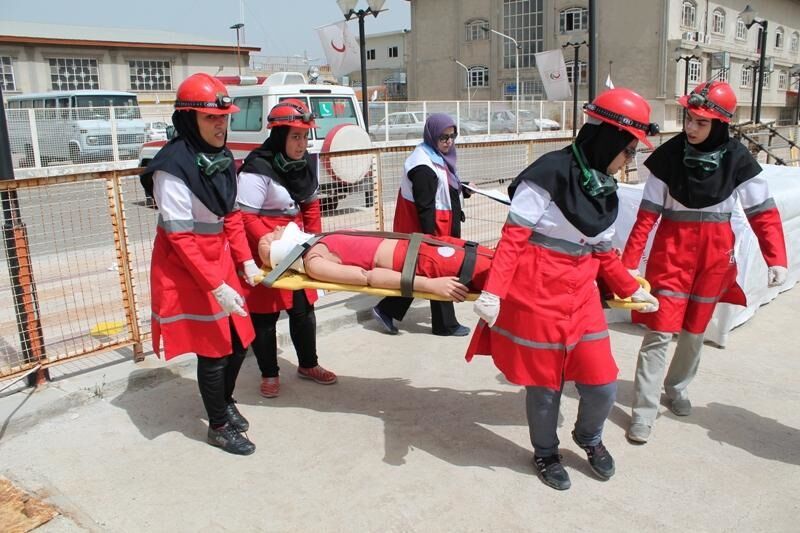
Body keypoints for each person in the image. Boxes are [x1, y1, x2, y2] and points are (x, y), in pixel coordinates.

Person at [466, 88, 661, 491]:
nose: (629, 160)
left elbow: (604, 253)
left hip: (581, 296)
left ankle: (588, 437)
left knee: (602, 383)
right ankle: (545, 452)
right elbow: (513, 239)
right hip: (536, 293)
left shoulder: (604, 187)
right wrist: (493, 292)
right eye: (628, 151)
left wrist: (630, 289)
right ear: (607, 138)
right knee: (544, 387)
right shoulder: (548, 173)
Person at [621, 81, 788, 444]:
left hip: (714, 260)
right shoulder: (667, 157)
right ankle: (644, 411)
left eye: (701, 122)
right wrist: (629, 264)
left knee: (695, 331)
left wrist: (776, 258)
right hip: (671, 257)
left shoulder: (738, 159)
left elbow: (763, 213)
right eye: (689, 119)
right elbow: (646, 217)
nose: (690, 127)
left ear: (721, 124)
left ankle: (677, 387)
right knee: (659, 331)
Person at [141, 73, 260, 456]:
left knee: (239, 339)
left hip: (218, 259)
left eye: (224, 117)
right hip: (187, 267)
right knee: (214, 350)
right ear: (188, 119)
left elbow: (232, 216)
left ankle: (223, 400)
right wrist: (216, 285)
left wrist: (246, 262)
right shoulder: (171, 168)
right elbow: (180, 238)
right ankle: (218, 426)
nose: (220, 125)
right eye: (211, 118)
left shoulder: (221, 157)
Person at [237, 99, 336, 399]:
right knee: (265, 317)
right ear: (279, 136)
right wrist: (274, 247)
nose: (301, 144)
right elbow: (246, 217)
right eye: (295, 137)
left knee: (303, 310)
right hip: (265, 250)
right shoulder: (256, 169)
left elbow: (311, 206)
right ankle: (269, 373)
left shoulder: (304, 165)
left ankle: (308, 364)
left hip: (297, 245)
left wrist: (314, 243)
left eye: (305, 137)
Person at [372, 113, 473, 336]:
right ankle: (444, 325)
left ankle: (387, 310)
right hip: (428, 228)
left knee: (425, 273)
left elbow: (442, 188)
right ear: (431, 136)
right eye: (443, 137)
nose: (449, 141)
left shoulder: (435, 157)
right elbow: (425, 206)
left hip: (438, 225)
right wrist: (432, 242)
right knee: (438, 270)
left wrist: (463, 188)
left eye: (452, 136)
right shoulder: (422, 166)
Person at [256, 222, 494, 298]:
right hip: (419, 261)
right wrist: (429, 285)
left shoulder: (322, 238)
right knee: (496, 278)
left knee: (497, 260)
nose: (277, 227)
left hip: (425, 245)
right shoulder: (315, 261)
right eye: (274, 234)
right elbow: (370, 278)